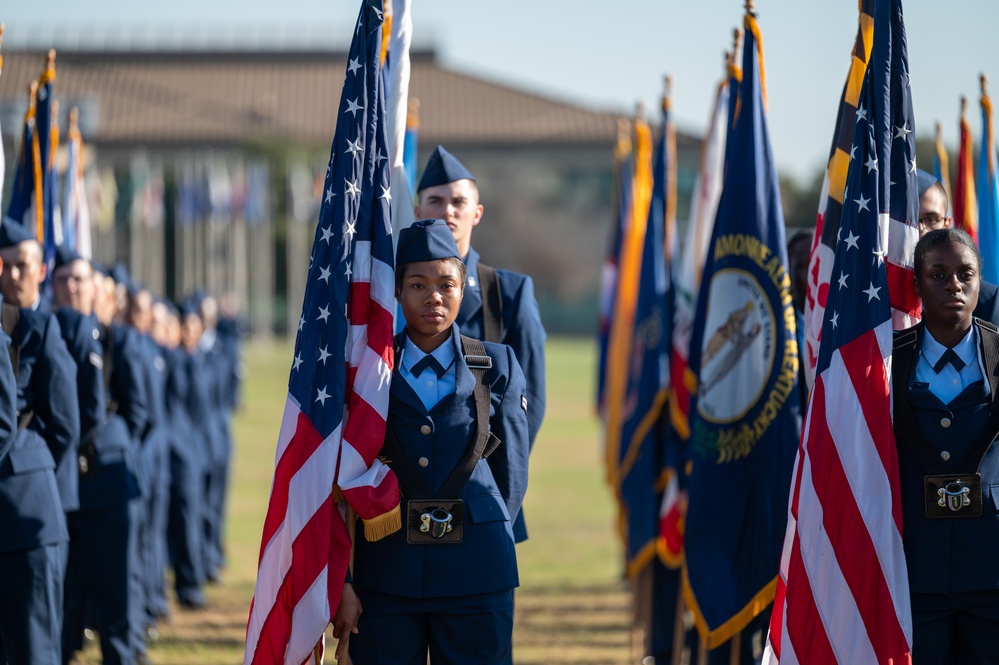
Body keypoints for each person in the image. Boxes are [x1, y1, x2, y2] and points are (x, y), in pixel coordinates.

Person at [338, 219, 530, 665]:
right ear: (398, 292)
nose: (434, 296)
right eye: (418, 284)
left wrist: (483, 528)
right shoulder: (368, 373)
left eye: (446, 283)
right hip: (388, 574)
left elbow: (512, 473)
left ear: (463, 288)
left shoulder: (496, 364)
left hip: (477, 574)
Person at [414, 146, 545, 542]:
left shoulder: (507, 292)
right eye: (435, 200)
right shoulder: (393, 292)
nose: (447, 210)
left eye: (458, 201)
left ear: (477, 213)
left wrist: (499, 481)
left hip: (483, 489)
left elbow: (530, 400)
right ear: (418, 210)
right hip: (402, 490)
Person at [892, 228, 999, 663]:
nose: (953, 284)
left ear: (980, 282)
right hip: (916, 572)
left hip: (993, 573)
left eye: (965, 274)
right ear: (917, 283)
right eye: (938, 274)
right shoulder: (886, 362)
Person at [52, 246, 140, 665]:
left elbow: (137, 410)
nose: (73, 286)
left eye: (80, 279)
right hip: (60, 484)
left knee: (113, 592)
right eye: (65, 278)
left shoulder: (113, 338)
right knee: (63, 593)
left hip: (105, 483)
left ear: (93, 287)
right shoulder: (44, 330)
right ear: (52, 286)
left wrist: (107, 443)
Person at [0, 219, 80, 665]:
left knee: (34, 650)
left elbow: (66, 422)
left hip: (29, 512)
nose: (13, 275)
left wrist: (27, 461)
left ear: (40, 270)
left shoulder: (43, 329)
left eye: (21, 265)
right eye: (5, 265)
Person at [916, 168, 999, 322]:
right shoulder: (866, 295)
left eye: (932, 219)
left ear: (947, 224)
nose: (921, 230)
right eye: (909, 220)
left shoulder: (987, 303)